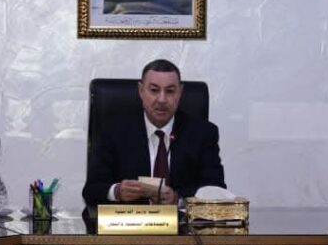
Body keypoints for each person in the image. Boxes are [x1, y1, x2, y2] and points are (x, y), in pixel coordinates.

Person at [82, 59, 226, 206]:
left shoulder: (203, 134)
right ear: (141, 91)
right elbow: (91, 190)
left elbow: (216, 190)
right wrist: (117, 191)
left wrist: (179, 199)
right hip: (130, 219)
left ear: (180, 93)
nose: (162, 99)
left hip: (181, 220)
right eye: (154, 90)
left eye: (170, 91)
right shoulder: (113, 131)